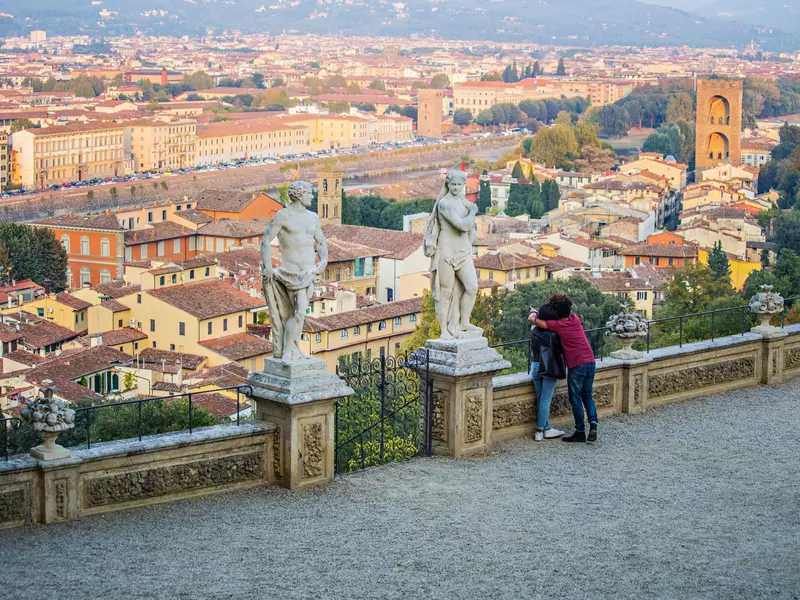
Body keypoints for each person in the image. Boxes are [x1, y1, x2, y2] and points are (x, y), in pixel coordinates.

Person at [260, 180, 328, 363]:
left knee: (299, 314)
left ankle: (295, 349)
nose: (312, 197)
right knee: (299, 313)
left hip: (310, 272)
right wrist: (267, 266)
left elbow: (321, 242)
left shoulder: (313, 217)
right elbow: (266, 241)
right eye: (309, 193)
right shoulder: (283, 216)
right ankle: (287, 352)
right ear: (299, 195)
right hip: (292, 273)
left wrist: (324, 260)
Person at [530, 294, 598, 443]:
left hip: (576, 364)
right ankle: (593, 423)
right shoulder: (576, 319)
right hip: (591, 361)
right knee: (587, 395)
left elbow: (534, 321)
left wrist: (534, 312)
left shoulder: (557, 326)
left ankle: (580, 431)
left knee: (575, 399)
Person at [422, 169, 481, 340]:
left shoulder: (462, 201)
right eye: (452, 184)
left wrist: (470, 209)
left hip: (464, 251)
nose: (455, 187)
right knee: (445, 292)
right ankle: (444, 331)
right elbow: (462, 225)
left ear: (463, 185)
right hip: (446, 251)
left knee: (472, 287)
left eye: (459, 184)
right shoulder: (444, 204)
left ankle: (464, 322)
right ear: (448, 184)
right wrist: (473, 212)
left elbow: (467, 222)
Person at [529, 303, 565, 442]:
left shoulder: (533, 330)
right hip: (549, 366)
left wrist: (534, 313)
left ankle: (547, 427)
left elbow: (533, 319)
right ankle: (539, 431)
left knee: (540, 398)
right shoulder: (555, 334)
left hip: (535, 365)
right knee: (545, 400)